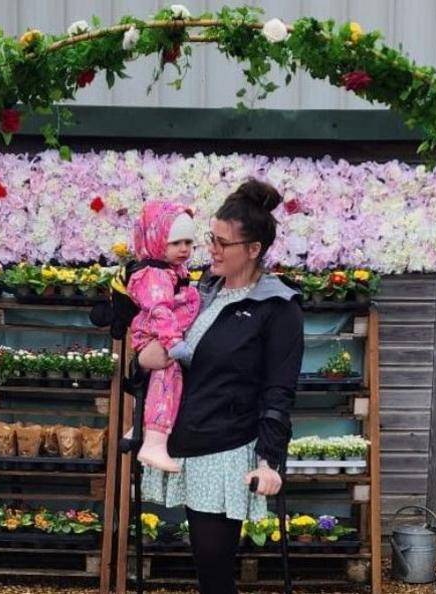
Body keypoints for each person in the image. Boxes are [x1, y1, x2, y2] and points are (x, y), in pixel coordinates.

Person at [139, 179, 304, 594]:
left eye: (222, 243)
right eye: (211, 238)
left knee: (214, 567)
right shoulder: (198, 294)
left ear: (253, 249)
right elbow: (166, 356)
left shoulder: (277, 307)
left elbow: (278, 390)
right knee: (203, 564)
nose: (210, 249)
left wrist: (269, 460)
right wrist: (143, 353)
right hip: (189, 437)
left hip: (227, 448)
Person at [126, 201, 202, 472]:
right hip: (159, 338)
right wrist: (174, 343)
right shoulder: (154, 274)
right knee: (168, 381)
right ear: (158, 240)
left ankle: (144, 428)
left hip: (162, 338)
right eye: (175, 242)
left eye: (188, 242)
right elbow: (160, 311)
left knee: (163, 385)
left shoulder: (170, 270)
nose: (184, 249)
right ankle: (154, 444)